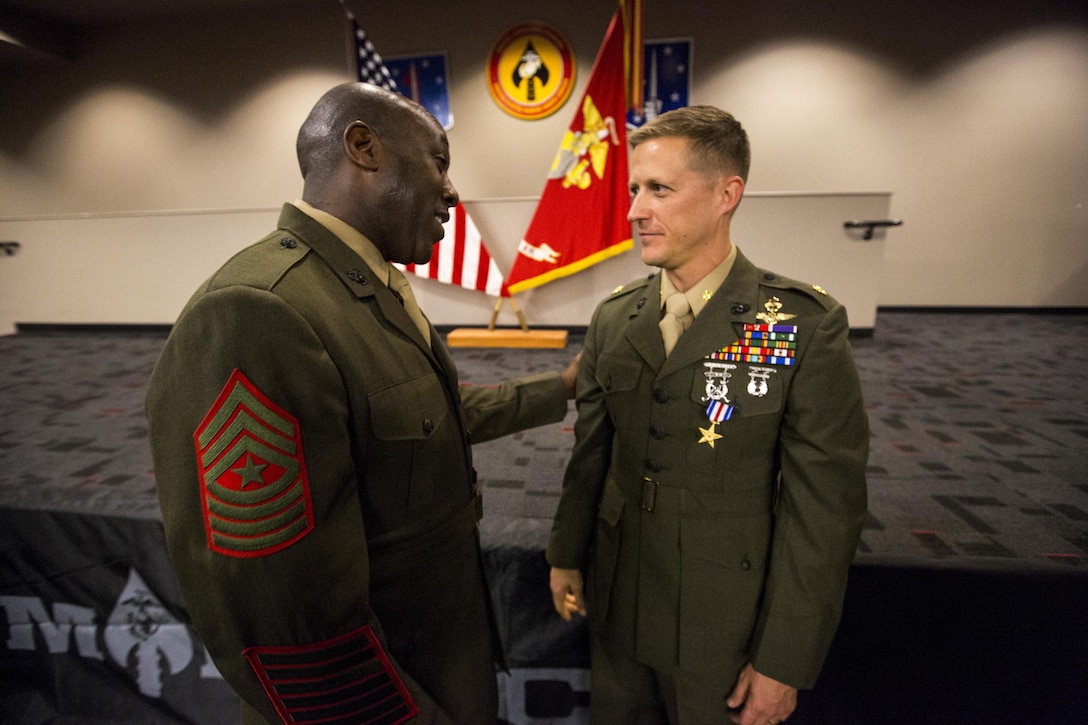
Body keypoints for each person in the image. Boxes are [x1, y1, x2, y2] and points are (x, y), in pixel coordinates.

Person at [146, 82, 577, 725]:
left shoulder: (360, 287)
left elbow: (427, 420)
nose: (453, 192)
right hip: (381, 700)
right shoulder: (260, 309)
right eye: (440, 161)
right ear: (363, 147)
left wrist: (562, 388)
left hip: (437, 658)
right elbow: (283, 608)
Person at [547, 106, 869, 725]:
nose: (636, 209)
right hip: (617, 604)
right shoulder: (616, 318)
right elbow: (591, 456)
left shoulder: (799, 324)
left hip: (722, 624)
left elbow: (824, 511)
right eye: (635, 189)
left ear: (727, 195)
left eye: (659, 189)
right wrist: (566, 554)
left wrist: (783, 659)